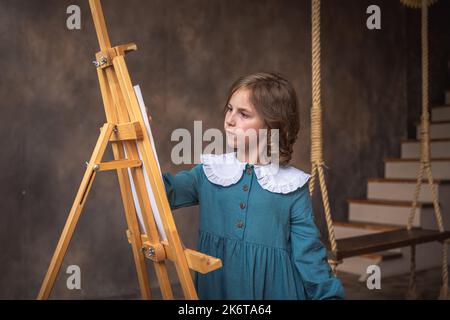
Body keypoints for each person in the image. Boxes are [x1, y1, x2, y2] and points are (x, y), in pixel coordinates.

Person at [162, 72, 345, 299]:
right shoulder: (210, 172)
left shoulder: (290, 186)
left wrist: (329, 296)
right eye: (229, 109)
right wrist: (140, 141)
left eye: (243, 114)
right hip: (219, 290)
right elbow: (160, 193)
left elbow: (308, 254)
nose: (229, 119)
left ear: (271, 126)